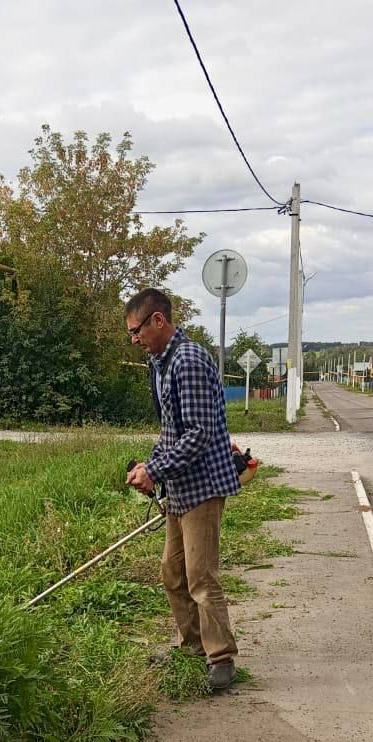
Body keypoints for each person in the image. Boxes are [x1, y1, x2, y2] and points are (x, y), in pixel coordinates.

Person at [125, 287, 240, 693]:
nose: (134, 339)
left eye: (136, 330)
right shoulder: (162, 363)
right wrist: (147, 466)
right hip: (180, 486)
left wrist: (155, 471)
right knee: (173, 573)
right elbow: (171, 431)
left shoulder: (187, 361)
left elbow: (197, 434)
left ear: (158, 320)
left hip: (203, 486)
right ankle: (192, 644)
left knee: (201, 577)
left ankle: (221, 658)